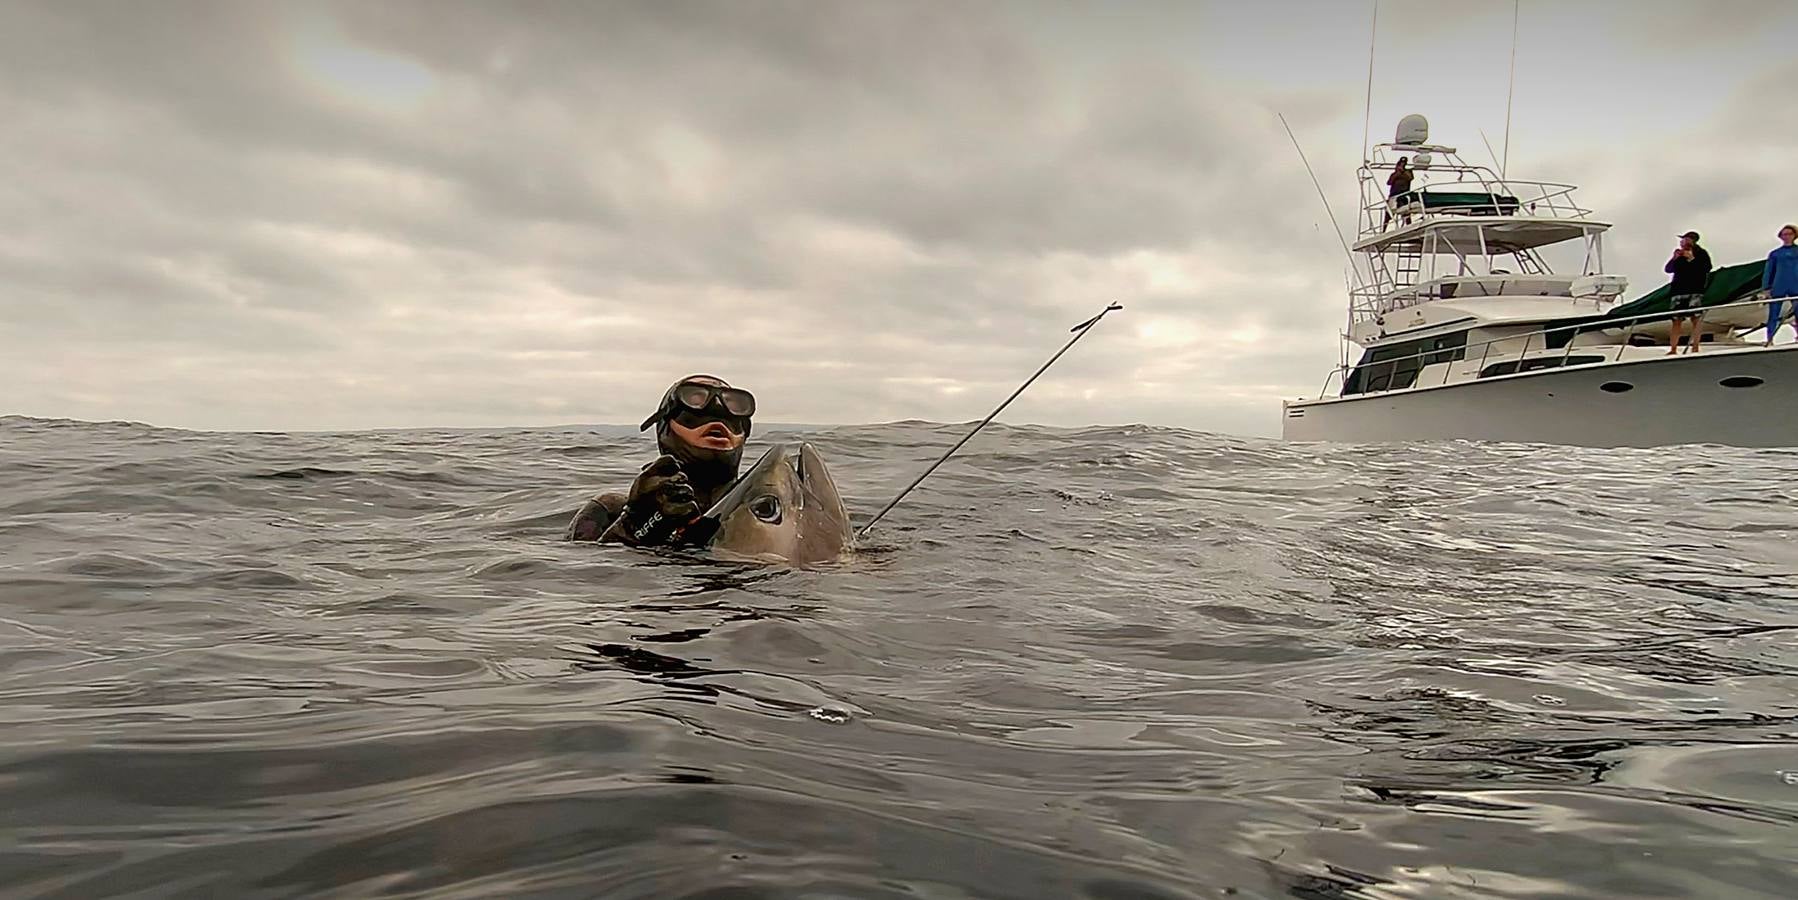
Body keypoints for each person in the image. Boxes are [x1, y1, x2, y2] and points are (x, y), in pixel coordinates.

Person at [563, 375, 756, 546]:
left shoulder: (760, 509)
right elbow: (582, 570)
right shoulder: (610, 509)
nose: (718, 421)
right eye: (695, 414)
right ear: (664, 429)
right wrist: (634, 526)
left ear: (745, 431)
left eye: (729, 415)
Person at [1664, 230, 1713, 355]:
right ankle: (1673, 349)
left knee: (1695, 318)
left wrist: (1691, 259)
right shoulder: (1679, 254)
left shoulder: (1701, 253)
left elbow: (1707, 268)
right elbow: (1668, 269)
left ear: (1692, 241)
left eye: (1686, 239)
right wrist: (1674, 258)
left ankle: (1695, 347)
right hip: (1678, 290)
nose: (1683, 242)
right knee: (1676, 320)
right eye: (1682, 240)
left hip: (1695, 289)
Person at [1762, 224, 1798, 346]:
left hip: (1796, 285)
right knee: (1773, 314)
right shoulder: (1775, 254)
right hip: (1779, 286)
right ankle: (1770, 339)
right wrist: (1766, 288)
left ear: (1794, 235)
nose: (1787, 237)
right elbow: (1769, 271)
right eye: (1784, 234)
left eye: (1790, 234)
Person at [1383, 156, 1415, 229]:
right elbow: (1389, 182)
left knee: (1406, 212)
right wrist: (1398, 173)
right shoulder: (1394, 174)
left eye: (1404, 163)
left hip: (1404, 195)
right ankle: (1383, 230)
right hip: (1393, 195)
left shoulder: (1408, 172)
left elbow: (1410, 178)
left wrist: (1402, 171)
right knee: (1388, 214)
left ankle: (1410, 227)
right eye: (1401, 163)